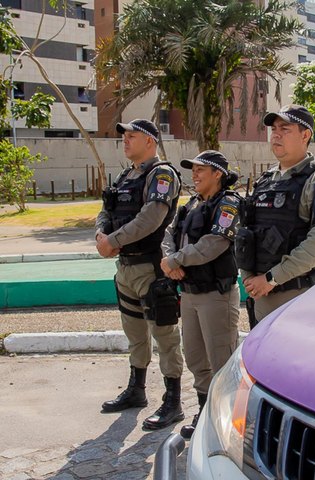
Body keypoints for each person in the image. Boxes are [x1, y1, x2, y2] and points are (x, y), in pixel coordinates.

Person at [95, 119, 185, 431]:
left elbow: (151, 218)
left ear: (150, 141)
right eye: (124, 136)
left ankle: (173, 401)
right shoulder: (126, 175)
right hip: (125, 268)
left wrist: (113, 241)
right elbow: (106, 209)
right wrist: (100, 236)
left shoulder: (162, 174)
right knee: (134, 332)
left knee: (164, 334)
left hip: (151, 266)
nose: (125, 141)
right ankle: (137, 390)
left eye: (132, 136)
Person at [236, 105, 315, 325]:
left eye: (285, 129)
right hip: (261, 295)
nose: (276, 134)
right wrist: (248, 277)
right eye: (274, 129)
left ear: (305, 135)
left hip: (299, 297)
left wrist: (271, 279)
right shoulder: (265, 181)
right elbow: (247, 233)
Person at [160, 150, 241, 440]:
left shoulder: (228, 203)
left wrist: (177, 260)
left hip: (215, 295)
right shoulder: (191, 203)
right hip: (190, 293)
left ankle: (226, 420)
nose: (194, 175)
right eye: (192, 170)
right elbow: (169, 233)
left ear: (217, 173)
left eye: (200, 170)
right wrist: (169, 261)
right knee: (195, 358)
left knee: (220, 358)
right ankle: (205, 411)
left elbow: (214, 243)